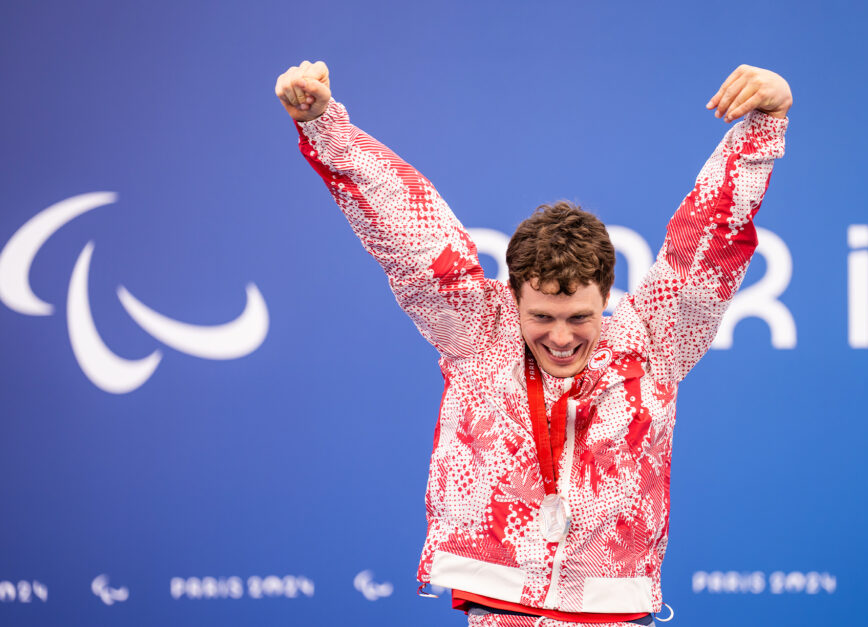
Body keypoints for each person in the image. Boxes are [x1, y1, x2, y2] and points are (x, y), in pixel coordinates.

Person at [276, 60, 791, 626]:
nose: (563, 337)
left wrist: (766, 121)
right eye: (542, 316)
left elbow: (709, 238)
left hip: (614, 608)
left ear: (607, 296)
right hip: (498, 606)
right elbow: (408, 229)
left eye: (580, 317)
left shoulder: (651, 343)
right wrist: (324, 123)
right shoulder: (477, 329)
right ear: (512, 296)